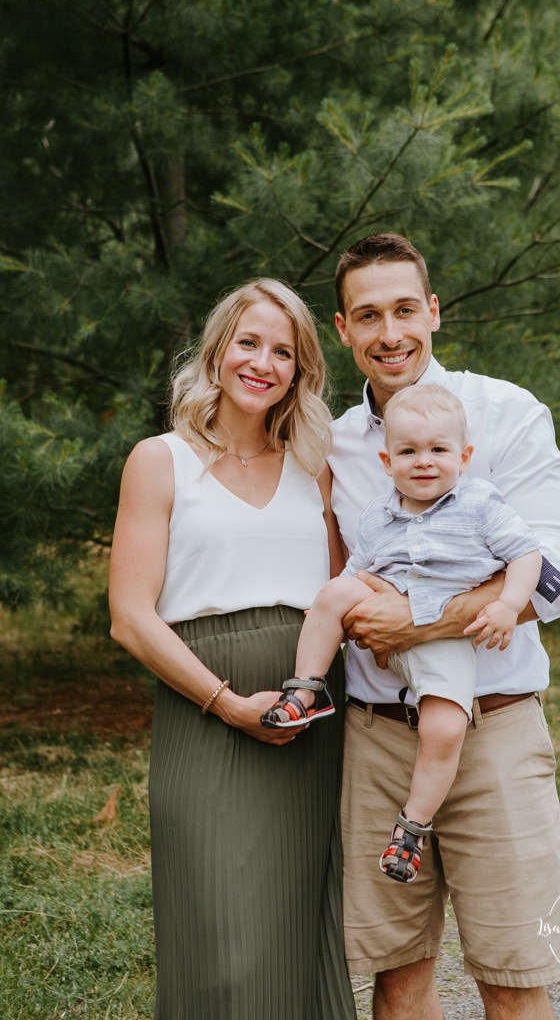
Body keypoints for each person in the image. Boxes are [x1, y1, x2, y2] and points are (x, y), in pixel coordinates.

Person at [327, 233, 560, 1020]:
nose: (389, 333)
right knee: (396, 976)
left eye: (405, 309)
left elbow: (558, 576)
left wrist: (418, 622)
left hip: (492, 727)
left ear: (432, 311)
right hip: (375, 738)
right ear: (343, 331)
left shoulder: (504, 413)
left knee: (510, 974)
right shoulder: (336, 442)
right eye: (367, 316)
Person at [108, 279, 356, 1020]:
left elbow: (343, 590)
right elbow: (129, 616)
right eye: (248, 342)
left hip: (306, 718)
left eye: (284, 351)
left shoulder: (318, 466)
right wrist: (224, 701)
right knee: (219, 940)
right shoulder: (159, 460)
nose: (263, 362)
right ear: (216, 352)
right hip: (204, 714)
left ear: (301, 371)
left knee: (303, 933)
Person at [262, 383, 541, 887]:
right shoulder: (379, 511)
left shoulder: (479, 503)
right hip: (381, 613)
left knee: (445, 729)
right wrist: (346, 607)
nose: (424, 461)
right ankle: (306, 688)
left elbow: (527, 554)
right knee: (331, 594)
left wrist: (508, 603)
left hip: (444, 639)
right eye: (409, 451)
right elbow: (358, 572)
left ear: (465, 455)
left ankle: (411, 827)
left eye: (438, 450)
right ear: (388, 461)